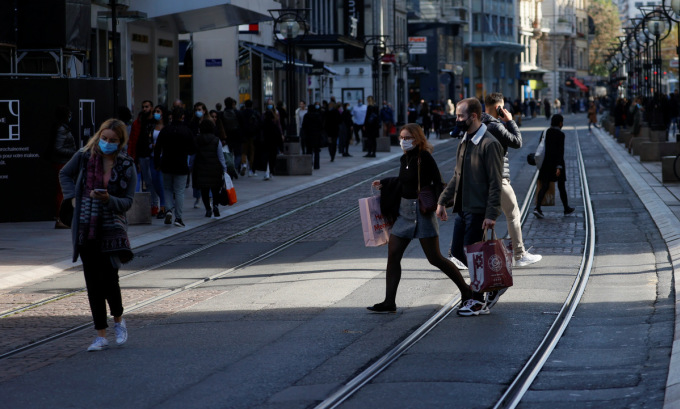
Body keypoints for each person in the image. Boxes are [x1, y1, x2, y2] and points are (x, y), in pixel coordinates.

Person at [367, 123, 474, 313]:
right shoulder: (404, 158)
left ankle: (466, 291)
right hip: (405, 213)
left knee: (435, 258)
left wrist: (441, 205)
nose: (403, 141)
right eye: (401, 137)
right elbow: (403, 182)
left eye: (407, 138)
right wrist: (384, 183)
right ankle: (389, 302)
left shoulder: (425, 157)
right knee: (393, 255)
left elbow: (438, 181)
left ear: (416, 139)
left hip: (422, 212)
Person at [59, 118, 136, 351]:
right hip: (85, 226)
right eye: (104, 138)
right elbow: (64, 173)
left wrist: (108, 199)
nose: (106, 143)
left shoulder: (126, 165)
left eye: (112, 140)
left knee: (110, 280)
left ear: (120, 142)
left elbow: (128, 202)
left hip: (112, 228)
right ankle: (100, 335)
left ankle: (119, 321)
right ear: (99, 136)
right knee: (93, 282)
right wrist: (73, 198)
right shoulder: (84, 157)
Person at [436, 97, 504, 316]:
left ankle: (477, 300)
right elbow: (457, 176)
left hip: (478, 209)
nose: (457, 119)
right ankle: (492, 283)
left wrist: (491, 214)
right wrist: (442, 201)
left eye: (460, 116)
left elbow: (496, 182)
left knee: (473, 255)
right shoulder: (465, 139)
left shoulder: (489, 144)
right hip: (463, 208)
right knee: (457, 251)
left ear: (473, 116)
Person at [482, 93, 542, 268]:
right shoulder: (495, 126)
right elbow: (517, 142)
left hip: (483, 178)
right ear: (498, 107)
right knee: (513, 214)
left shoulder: (479, 124)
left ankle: (481, 254)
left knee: (485, 217)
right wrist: (509, 121)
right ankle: (519, 253)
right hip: (498, 178)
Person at [154, 107, 196, 227]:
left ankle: (168, 210)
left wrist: (157, 163)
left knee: (167, 188)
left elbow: (157, 148)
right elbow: (193, 149)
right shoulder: (186, 131)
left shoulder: (165, 130)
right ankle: (178, 217)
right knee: (179, 191)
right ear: (182, 116)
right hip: (181, 164)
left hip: (166, 163)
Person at [533, 114, 574, 219]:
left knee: (544, 186)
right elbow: (560, 152)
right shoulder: (560, 134)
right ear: (560, 123)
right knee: (561, 187)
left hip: (546, 163)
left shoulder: (546, 132)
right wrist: (559, 167)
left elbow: (540, 147)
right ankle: (566, 208)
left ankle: (537, 208)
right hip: (557, 164)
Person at [50, 106, 77, 229]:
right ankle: (60, 218)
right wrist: (73, 152)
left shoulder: (63, 128)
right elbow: (58, 148)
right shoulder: (62, 129)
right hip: (62, 162)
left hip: (64, 162)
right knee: (62, 191)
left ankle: (63, 217)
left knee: (65, 191)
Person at [193, 118, 227, 217]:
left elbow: (193, 155)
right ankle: (215, 205)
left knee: (204, 190)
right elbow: (221, 157)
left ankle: (208, 208)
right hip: (215, 168)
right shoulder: (216, 140)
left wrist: (191, 166)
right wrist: (225, 169)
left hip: (201, 168)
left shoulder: (197, 140)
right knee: (215, 189)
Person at [148, 105, 168, 219]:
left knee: (161, 181)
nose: (156, 113)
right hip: (153, 156)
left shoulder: (166, 127)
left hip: (163, 157)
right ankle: (165, 202)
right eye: (155, 111)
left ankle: (163, 206)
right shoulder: (151, 126)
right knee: (154, 181)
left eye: (158, 111)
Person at [239, 99, 261, 177]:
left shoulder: (241, 113)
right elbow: (259, 124)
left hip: (244, 134)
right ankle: (251, 169)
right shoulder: (255, 113)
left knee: (244, 151)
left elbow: (240, 124)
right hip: (253, 135)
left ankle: (244, 163)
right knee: (252, 152)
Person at [260, 110, 284, 180]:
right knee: (272, 159)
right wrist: (281, 147)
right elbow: (278, 136)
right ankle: (270, 171)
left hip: (264, 144)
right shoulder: (274, 125)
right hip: (273, 145)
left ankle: (266, 172)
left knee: (265, 158)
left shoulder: (262, 125)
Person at [301, 102, 324, 170]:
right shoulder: (317, 115)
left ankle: (309, 163)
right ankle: (316, 165)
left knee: (309, 150)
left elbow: (303, 126)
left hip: (308, 135)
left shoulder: (306, 115)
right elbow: (321, 126)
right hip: (316, 135)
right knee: (316, 151)